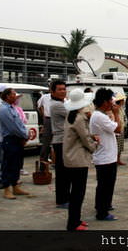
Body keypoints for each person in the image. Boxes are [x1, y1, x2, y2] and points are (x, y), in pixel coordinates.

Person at [63, 89, 97, 231]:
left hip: (70, 158)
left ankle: (75, 219)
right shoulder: (79, 118)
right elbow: (85, 139)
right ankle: (73, 223)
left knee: (75, 192)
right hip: (78, 158)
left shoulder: (70, 116)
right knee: (78, 192)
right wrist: (95, 145)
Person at [90, 88, 121, 221]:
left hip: (107, 155)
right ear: (104, 102)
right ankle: (102, 211)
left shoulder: (100, 115)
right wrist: (116, 113)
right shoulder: (99, 116)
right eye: (110, 101)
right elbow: (118, 128)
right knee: (105, 184)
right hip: (105, 157)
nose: (111, 104)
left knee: (107, 183)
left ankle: (104, 205)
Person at [0, 88, 30, 200]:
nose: (15, 96)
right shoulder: (4, 110)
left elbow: (19, 123)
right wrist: (25, 135)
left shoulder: (12, 109)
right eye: (13, 94)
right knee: (8, 164)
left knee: (17, 164)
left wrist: (25, 134)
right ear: (7, 96)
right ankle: (6, 188)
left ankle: (15, 186)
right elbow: (13, 127)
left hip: (17, 139)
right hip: (10, 139)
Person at [49, 80, 71, 208]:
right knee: (62, 172)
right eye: (60, 89)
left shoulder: (63, 103)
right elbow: (73, 114)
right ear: (53, 92)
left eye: (64, 89)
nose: (63, 91)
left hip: (65, 140)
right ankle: (62, 200)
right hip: (61, 140)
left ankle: (65, 197)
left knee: (66, 171)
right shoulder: (56, 105)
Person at [37, 91, 53, 162]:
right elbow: (39, 106)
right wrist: (44, 117)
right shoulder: (45, 97)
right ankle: (43, 165)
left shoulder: (63, 98)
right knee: (46, 144)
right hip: (48, 119)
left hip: (59, 120)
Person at [113, 93, 127, 165]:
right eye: (123, 100)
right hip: (117, 128)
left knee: (120, 145)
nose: (124, 101)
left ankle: (118, 159)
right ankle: (115, 160)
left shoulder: (121, 108)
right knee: (116, 145)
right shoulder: (116, 108)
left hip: (122, 128)